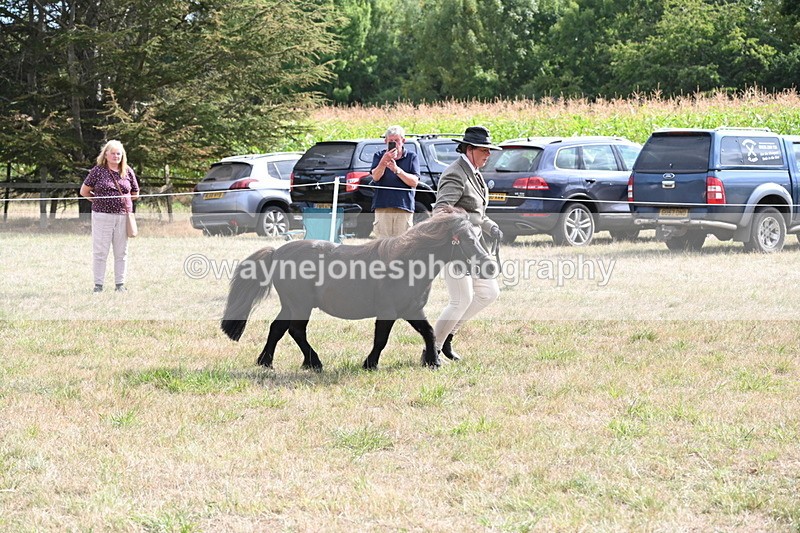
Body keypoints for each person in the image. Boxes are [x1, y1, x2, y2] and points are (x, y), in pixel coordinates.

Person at [426, 126, 503, 362]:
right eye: (484, 150)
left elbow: (476, 212)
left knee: (489, 292)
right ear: (469, 149)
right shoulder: (455, 173)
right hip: (455, 247)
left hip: (475, 247)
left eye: (489, 150)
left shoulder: (474, 172)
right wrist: (461, 229)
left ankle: (448, 335)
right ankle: (432, 350)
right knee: (460, 300)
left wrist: (490, 227)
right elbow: (441, 211)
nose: (488, 154)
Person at [80, 140, 139, 293]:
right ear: (105, 154)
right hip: (102, 216)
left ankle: (120, 284)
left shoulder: (128, 171)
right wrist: (99, 201)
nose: (115, 156)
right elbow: (84, 191)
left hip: (122, 216)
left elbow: (135, 193)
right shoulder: (98, 171)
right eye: (112, 153)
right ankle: (98, 285)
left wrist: (123, 202)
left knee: (121, 251)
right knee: (100, 251)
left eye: (118, 153)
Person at [370, 125, 420, 238]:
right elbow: (375, 177)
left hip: (404, 207)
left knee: (403, 245)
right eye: (390, 141)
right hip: (382, 206)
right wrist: (383, 161)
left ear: (403, 140)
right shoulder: (378, 156)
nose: (394, 143)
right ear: (385, 141)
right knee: (382, 244)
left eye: (396, 140)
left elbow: (414, 182)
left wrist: (397, 170)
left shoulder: (412, 157)